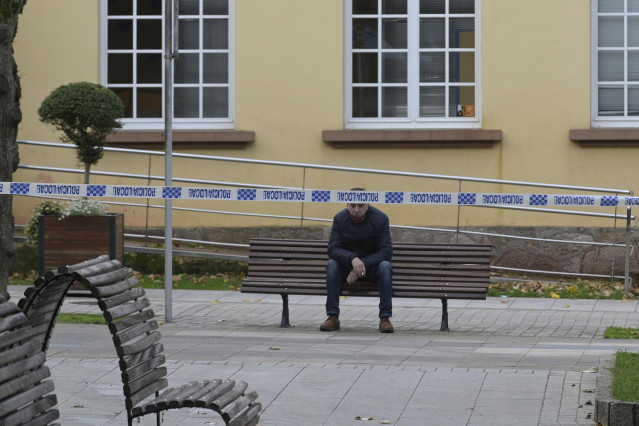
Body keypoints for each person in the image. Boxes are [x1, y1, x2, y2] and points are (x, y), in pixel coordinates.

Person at [320, 189, 394, 333]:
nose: (356, 209)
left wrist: (362, 264)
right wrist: (352, 259)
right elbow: (333, 249)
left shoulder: (381, 218)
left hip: (372, 269)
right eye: (352, 205)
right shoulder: (340, 218)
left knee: (386, 267)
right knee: (332, 264)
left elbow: (386, 251)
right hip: (347, 268)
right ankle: (333, 316)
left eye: (361, 205)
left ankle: (385, 319)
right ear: (347, 204)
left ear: (368, 205)